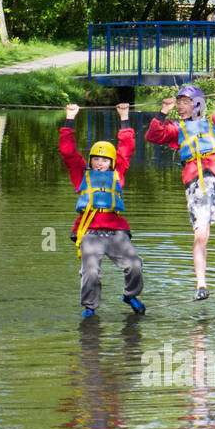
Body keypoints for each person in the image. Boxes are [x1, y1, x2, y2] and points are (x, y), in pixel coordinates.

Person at [145, 85, 215, 300]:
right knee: (201, 233)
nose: (181, 106)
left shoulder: (213, 121)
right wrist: (163, 111)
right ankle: (201, 285)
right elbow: (153, 135)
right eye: (179, 102)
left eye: (185, 102)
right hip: (197, 178)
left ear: (198, 103)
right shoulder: (176, 127)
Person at [60, 102, 145, 317]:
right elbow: (68, 150)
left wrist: (124, 117)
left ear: (112, 162)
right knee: (91, 271)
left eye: (104, 160)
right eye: (96, 159)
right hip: (90, 231)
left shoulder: (119, 173)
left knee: (135, 264)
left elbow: (127, 146)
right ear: (90, 160)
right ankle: (90, 308)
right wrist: (70, 118)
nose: (99, 163)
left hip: (116, 231)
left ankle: (130, 295)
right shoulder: (81, 173)